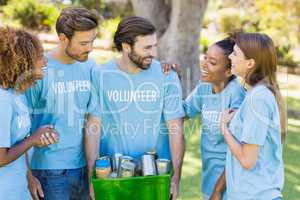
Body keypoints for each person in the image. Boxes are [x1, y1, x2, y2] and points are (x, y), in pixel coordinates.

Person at [87, 16, 185, 200]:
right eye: (147, 47)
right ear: (126, 46)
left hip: (156, 178)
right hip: (112, 179)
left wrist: (176, 178)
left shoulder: (167, 75)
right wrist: (91, 178)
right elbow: (94, 126)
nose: (154, 53)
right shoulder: (100, 75)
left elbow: (176, 127)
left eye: (155, 46)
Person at [25, 7, 100, 200]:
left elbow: (93, 121)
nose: (90, 48)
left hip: (83, 169)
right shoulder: (40, 69)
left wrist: (93, 172)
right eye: (83, 43)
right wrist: (28, 175)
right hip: (48, 173)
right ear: (63, 38)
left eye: (92, 41)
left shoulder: (91, 67)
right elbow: (19, 127)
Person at [220, 32, 286, 200]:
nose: (230, 56)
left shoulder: (259, 98)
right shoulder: (255, 95)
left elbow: (248, 160)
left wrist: (224, 129)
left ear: (250, 63)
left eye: (235, 53)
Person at [178, 38, 246, 200]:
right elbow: (182, 112)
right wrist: (172, 78)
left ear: (229, 71)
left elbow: (239, 153)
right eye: (205, 57)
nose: (204, 64)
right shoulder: (204, 88)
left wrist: (218, 190)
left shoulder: (236, 95)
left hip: (231, 182)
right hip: (210, 177)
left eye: (212, 62)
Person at [0, 27, 58, 200]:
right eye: (40, 57)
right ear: (23, 61)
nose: (45, 61)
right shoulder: (3, 101)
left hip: (20, 190)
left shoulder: (17, 94)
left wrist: (29, 177)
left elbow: (19, 141)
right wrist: (34, 138)